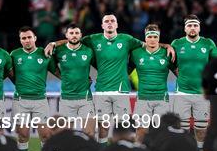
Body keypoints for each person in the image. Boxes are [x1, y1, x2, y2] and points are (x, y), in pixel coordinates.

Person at [45, 14, 175, 144]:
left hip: (121, 90)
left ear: (117, 24)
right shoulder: (93, 39)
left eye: (112, 21)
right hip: (102, 90)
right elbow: (73, 40)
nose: (110, 23)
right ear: (102, 25)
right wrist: (53, 43)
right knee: (103, 127)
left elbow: (149, 43)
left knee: (123, 126)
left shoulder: (127, 39)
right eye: (106, 21)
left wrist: (166, 46)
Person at [10, 26, 56, 151]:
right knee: (23, 135)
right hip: (21, 101)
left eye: (29, 37)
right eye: (23, 38)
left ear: (35, 38)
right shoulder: (14, 55)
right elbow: (10, 73)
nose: (27, 40)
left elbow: (57, 71)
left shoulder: (45, 53)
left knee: (46, 135)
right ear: (20, 40)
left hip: (40, 100)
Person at [171, 14, 216, 149]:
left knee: (201, 129)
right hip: (182, 93)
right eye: (189, 25)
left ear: (199, 28)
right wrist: (176, 72)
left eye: (195, 25)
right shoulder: (177, 43)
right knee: (181, 129)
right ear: (185, 28)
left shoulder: (208, 43)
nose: (192, 28)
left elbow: (215, 65)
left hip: (201, 93)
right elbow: (171, 63)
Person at [130, 24, 174, 141]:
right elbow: (125, 70)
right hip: (143, 98)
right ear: (145, 37)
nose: (152, 39)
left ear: (159, 38)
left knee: (162, 131)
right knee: (141, 130)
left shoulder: (168, 53)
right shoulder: (136, 53)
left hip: (162, 98)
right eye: (150, 37)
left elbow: (179, 73)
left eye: (155, 36)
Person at [52, 23, 96, 137]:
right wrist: (61, 76)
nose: (74, 35)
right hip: (66, 98)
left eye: (77, 33)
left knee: (89, 134)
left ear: (81, 35)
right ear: (66, 35)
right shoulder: (59, 51)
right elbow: (51, 66)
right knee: (64, 136)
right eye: (71, 33)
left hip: (85, 99)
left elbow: (100, 66)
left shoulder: (89, 51)